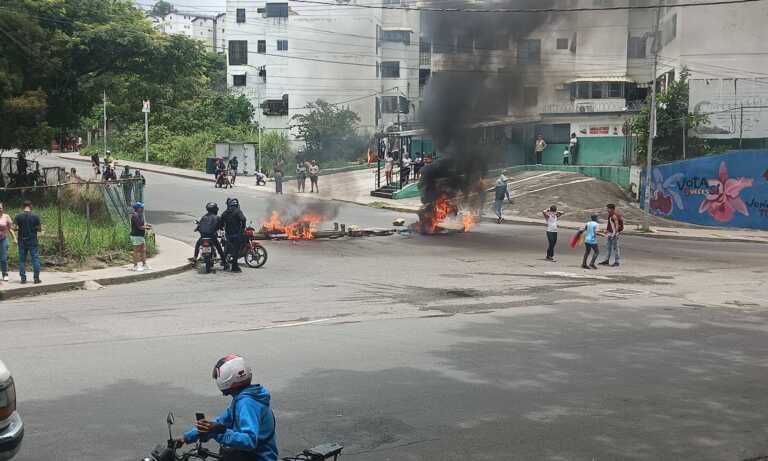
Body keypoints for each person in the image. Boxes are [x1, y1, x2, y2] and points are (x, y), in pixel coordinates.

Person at [175, 354, 278, 461]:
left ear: (225, 378)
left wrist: (220, 432)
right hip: (243, 455)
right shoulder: (242, 398)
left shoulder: (247, 403)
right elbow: (221, 421)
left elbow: (249, 441)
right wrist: (187, 437)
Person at [13, 200, 42, 284]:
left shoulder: (18, 216)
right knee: (35, 259)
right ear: (30, 206)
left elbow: (14, 228)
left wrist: (19, 228)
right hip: (33, 241)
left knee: (22, 260)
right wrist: (34, 228)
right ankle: (36, 279)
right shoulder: (35, 216)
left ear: (23, 207)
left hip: (22, 241)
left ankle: (23, 279)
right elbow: (39, 229)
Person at [193, 202, 225, 267]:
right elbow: (221, 226)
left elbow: (199, 226)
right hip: (212, 237)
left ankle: (195, 258)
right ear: (215, 210)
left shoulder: (203, 217)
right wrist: (221, 229)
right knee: (219, 248)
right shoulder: (217, 218)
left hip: (203, 237)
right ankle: (224, 262)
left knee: (197, 245)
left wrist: (197, 229)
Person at [221, 197, 246, 272]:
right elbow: (243, 219)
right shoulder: (238, 211)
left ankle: (225, 263)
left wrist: (222, 228)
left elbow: (221, 221)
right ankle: (234, 266)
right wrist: (242, 228)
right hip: (236, 234)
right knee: (236, 250)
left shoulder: (225, 212)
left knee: (228, 247)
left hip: (228, 234)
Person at [130, 202, 152, 272]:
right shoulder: (135, 216)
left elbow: (142, 224)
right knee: (136, 251)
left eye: (143, 207)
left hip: (140, 236)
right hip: (136, 236)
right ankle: (135, 266)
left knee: (143, 250)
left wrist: (146, 224)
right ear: (137, 209)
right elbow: (139, 227)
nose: (143, 209)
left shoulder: (140, 215)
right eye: (141, 208)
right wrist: (146, 228)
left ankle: (144, 264)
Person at [0, 203, 17, 282]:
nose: (0, 209)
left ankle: (5, 274)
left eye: (0, 208)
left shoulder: (6, 216)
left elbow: (10, 229)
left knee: (3, 258)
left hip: (3, 240)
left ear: (3, 208)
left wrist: (14, 238)